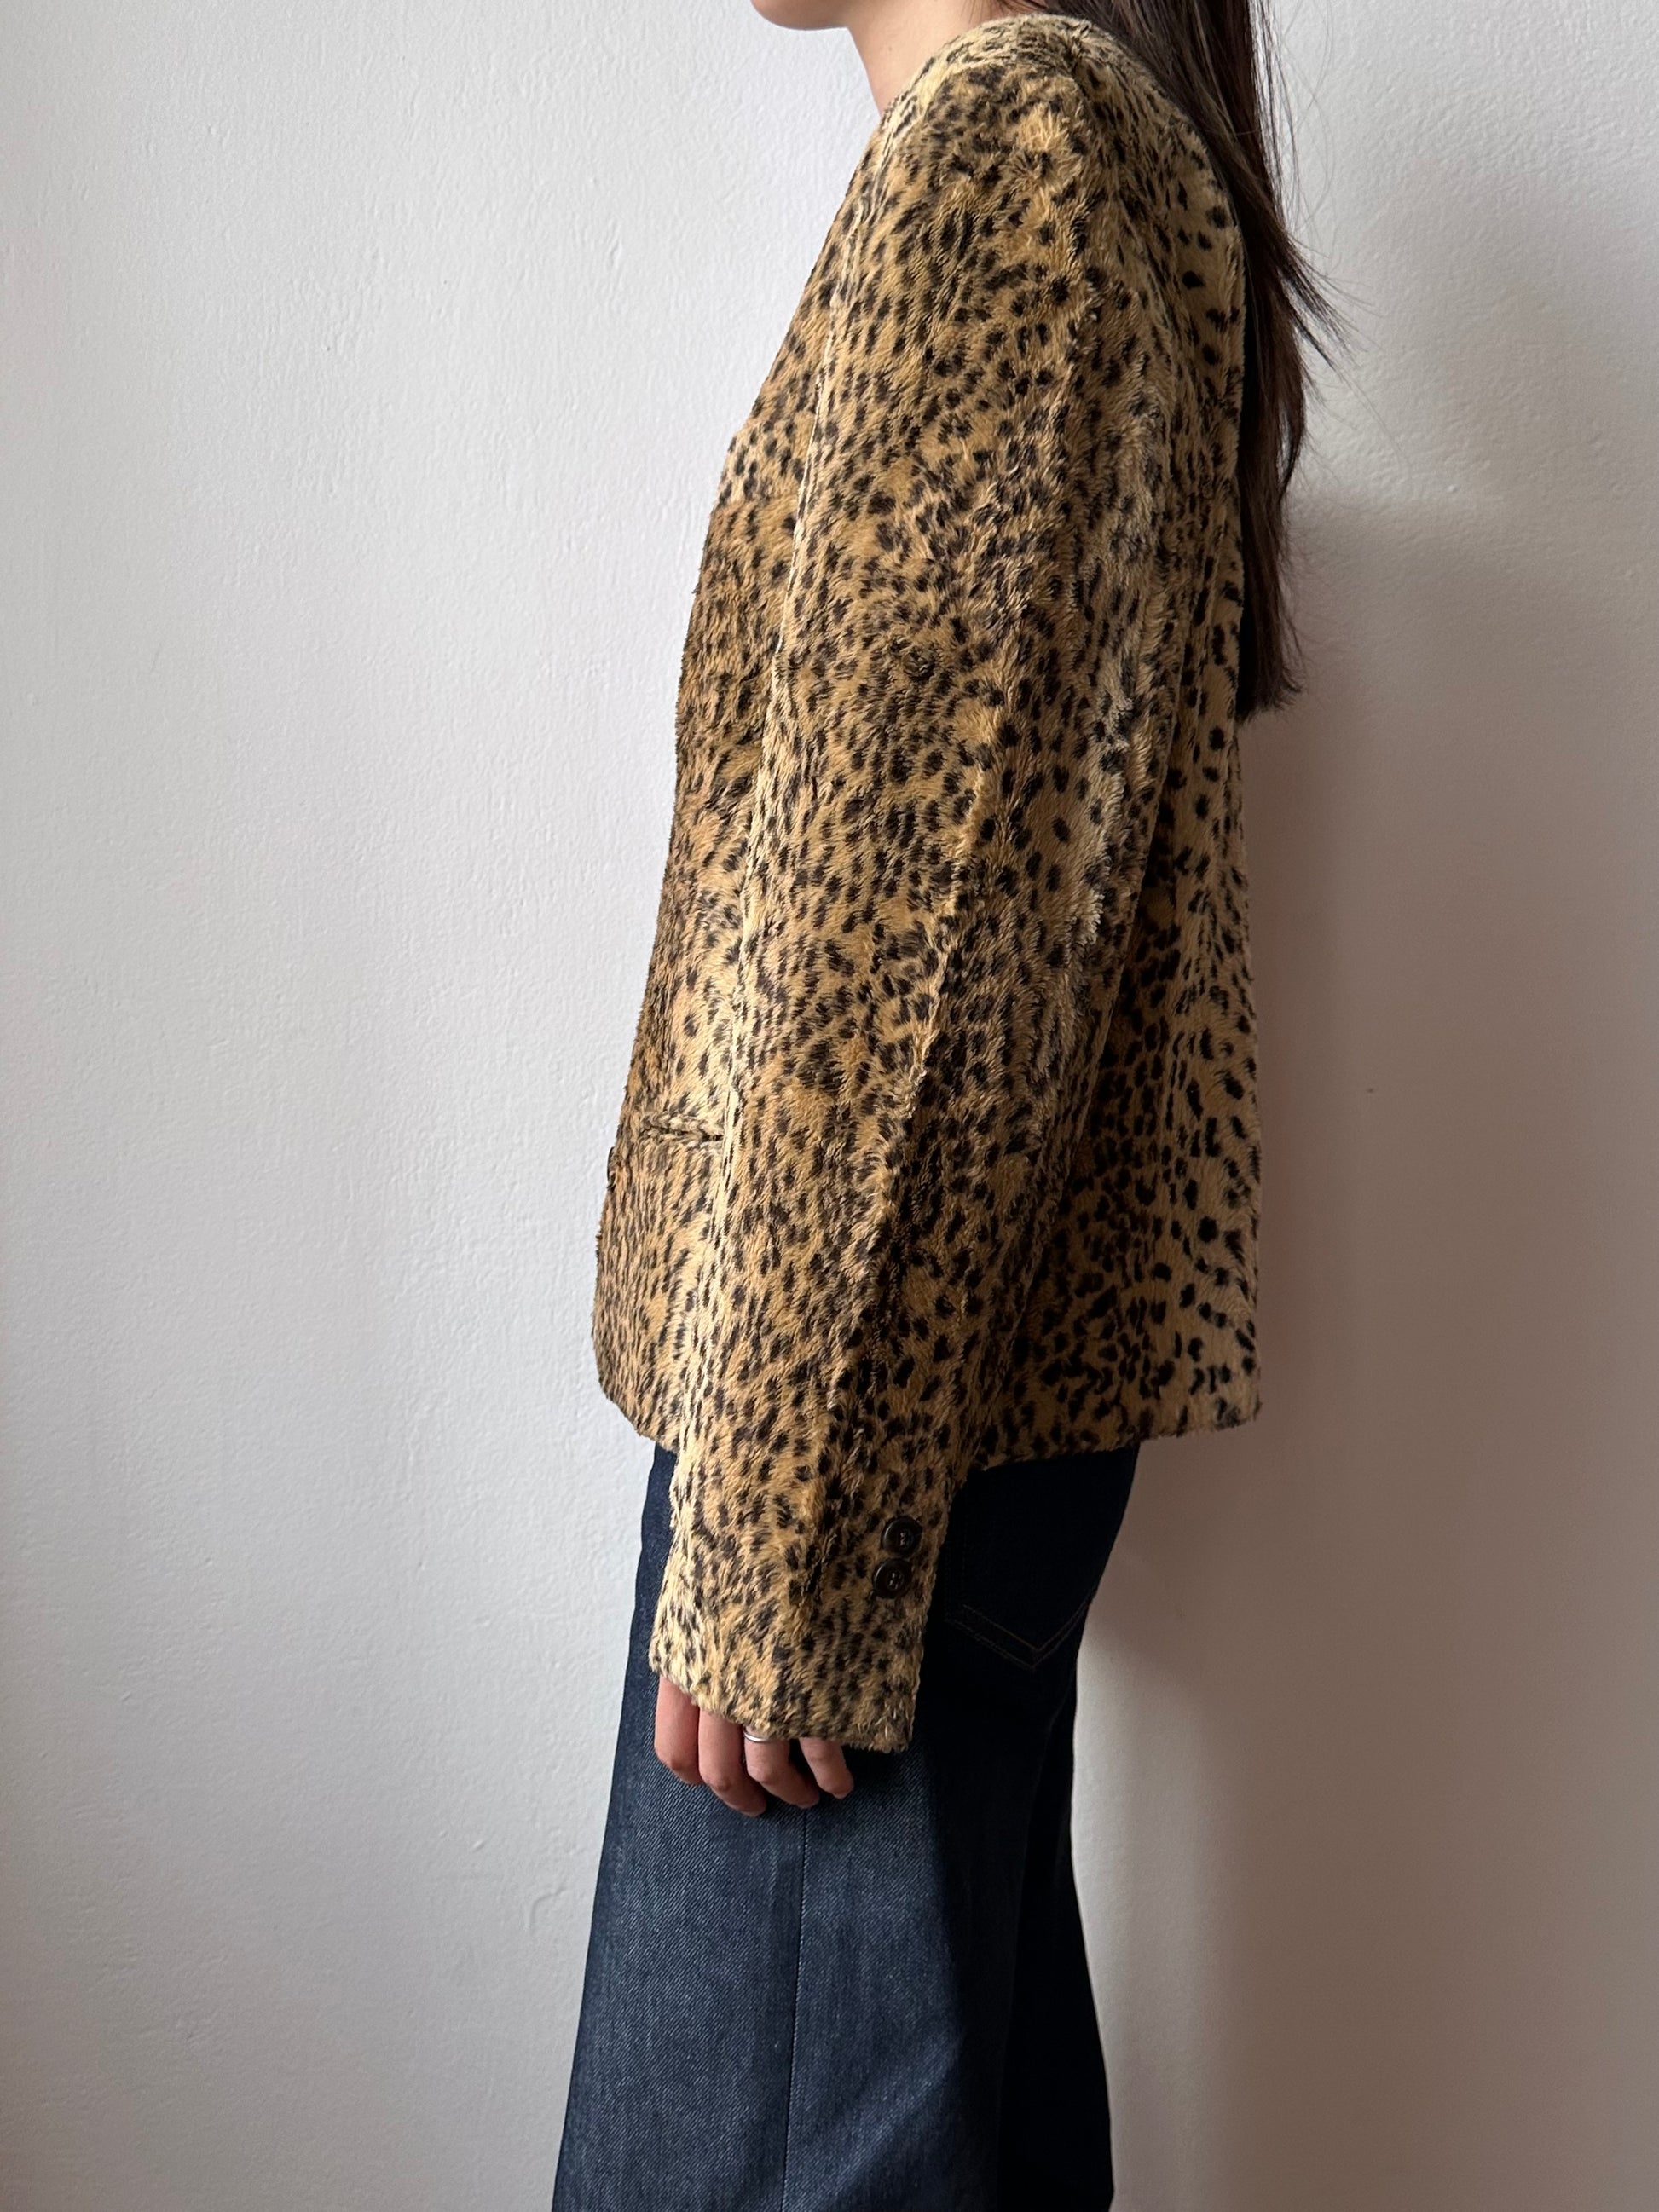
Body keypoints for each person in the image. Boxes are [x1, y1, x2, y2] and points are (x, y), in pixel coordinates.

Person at [553, 3, 1342, 2205]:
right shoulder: (1072, 152)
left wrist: (782, 1540)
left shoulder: (1014, 151)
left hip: (841, 1453)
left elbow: (913, 914)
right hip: (900, 1437)